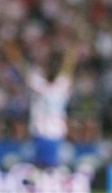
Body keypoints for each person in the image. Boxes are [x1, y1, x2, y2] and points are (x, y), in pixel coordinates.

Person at [5, 41, 78, 169]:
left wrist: (70, 57)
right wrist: (70, 57)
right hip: (44, 131)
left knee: (49, 166)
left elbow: (24, 69)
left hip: (51, 132)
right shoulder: (52, 85)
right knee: (41, 166)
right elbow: (24, 69)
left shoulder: (49, 85)